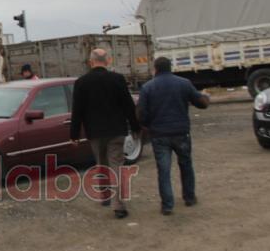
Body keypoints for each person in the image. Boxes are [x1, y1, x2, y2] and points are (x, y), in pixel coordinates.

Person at [70, 49, 140, 219]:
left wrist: (74, 134)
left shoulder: (81, 82)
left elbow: (77, 110)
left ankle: (105, 196)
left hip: (95, 132)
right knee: (116, 166)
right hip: (116, 131)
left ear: (91, 62)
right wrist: (135, 127)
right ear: (107, 61)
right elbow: (128, 106)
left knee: (101, 164)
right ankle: (119, 206)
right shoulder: (117, 79)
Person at [137, 57, 210, 216]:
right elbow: (201, 103)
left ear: (155, 69)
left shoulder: (148, 87)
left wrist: (150, 126)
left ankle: (167, 206)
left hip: (159, 135)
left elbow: (141, 114)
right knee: (186, 165)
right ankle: (189, 197)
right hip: (181, 132)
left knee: (163, 170)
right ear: (170, 68)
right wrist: (206, 97)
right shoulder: (184, 83)